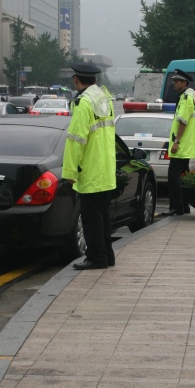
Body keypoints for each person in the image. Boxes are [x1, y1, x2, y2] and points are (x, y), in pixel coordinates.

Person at [63, 63, 116, 270]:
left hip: (90, 170)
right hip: (105, 169)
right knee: (102, 218)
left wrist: (69, 171)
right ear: (94, 80)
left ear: (76, 79)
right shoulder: (105, 99)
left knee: (91, 219)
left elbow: (76, 139)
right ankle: (107, 255)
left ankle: (96, 258)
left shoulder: (83, 103)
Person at [163, 69, 195, 216]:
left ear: (184, 82)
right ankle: (184, 206)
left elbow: (183, 122)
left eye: (176, 81)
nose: (174, 83)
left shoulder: (185, 98)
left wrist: (176, 141)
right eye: (174, 81)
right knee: (183, 177)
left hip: (181, 145)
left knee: (173, 176)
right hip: (186, 145)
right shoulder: (187, 97)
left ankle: (176, 208)